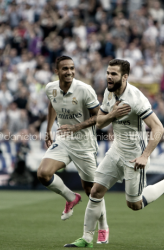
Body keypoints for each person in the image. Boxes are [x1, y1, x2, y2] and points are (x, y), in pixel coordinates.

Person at [64, 59, 164, 248]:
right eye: (108, 72)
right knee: (95, 191)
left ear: (125, 77)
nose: (108, 76)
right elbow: (99, 122)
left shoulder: (136, 98)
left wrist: (145, 155)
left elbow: (158, 128)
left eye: (113, 74)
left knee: (135, 205)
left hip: (135, 154)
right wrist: (112, 116)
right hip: (116, 149)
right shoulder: (109, 92)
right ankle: (87, 238)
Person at [36, 56, 109, 243]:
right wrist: (48, 129)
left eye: (72, 68)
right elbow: (52, 104)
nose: (69, 72)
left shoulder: (85, 90)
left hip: (84, 144)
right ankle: (70, 197)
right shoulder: (50, 88)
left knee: (92, 190)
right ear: (57, 71)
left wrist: (75, 127)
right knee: (43, 174)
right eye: (65, 69)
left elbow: (99, 118)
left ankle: (103, 226)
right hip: (64, 140)